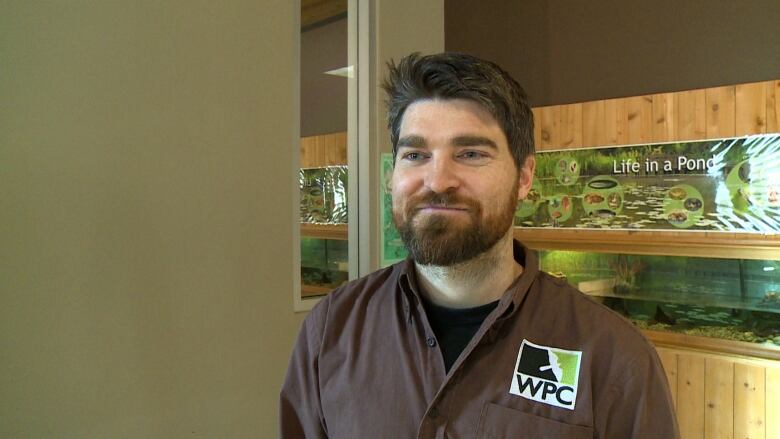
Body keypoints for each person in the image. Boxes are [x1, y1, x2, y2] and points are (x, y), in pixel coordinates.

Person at [280, 52, 679, 438]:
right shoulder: (332, 330)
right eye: (416, 154)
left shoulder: (613, 358)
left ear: (524, 177)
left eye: (470, 153)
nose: (437, 181)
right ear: (393, 173)